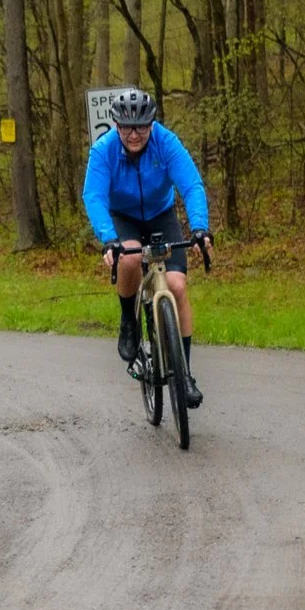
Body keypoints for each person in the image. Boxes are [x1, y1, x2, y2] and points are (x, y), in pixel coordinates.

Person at [82, 87, 213, 406]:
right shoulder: (103, 151)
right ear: (116, 125)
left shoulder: (166, 143)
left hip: (161, 215)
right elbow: (94, 197)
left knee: (178, 287)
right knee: (128, 260)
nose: (134, 134)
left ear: (152, 124)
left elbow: (191, 185)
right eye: (126, 127)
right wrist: (108, 239)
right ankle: (129, 321)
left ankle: (185, 375)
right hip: (123, 218)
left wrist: (199, 228)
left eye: (141, 126)